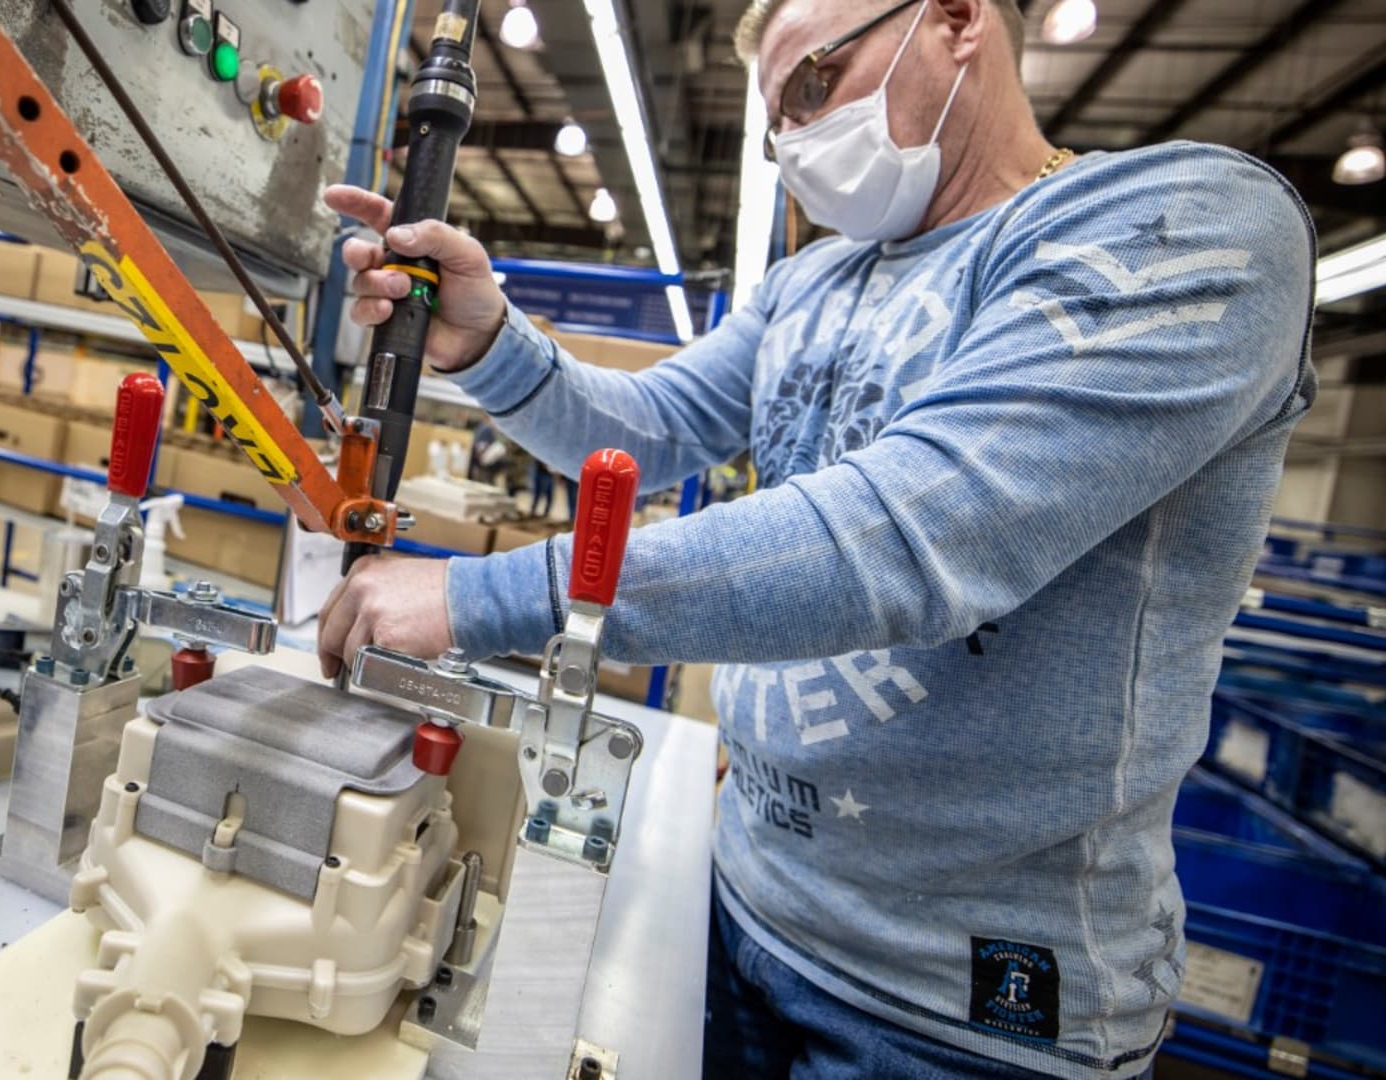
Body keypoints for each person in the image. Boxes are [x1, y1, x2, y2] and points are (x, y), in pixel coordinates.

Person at [316, 0, 1316, 1075]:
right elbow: (648, 429)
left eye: (812, 86)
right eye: (776, 127)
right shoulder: (814, 280)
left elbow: (909, 535)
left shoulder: (1178, 224)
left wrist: (475, 597)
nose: (796, 141)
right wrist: (488, 340)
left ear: (958, 19)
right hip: (746, 894)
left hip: (963, 1008)